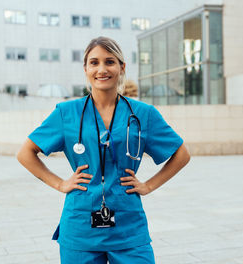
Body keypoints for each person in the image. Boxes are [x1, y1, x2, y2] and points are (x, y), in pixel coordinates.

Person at [17, 36, 190, 264]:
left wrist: (148, 185)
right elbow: (25, 153)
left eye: (110, 61)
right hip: (81, 227)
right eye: (94, 62)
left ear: (121, 67)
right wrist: (60, 184)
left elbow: (181, 154)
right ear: (86, 69)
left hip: (128, 226)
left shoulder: (143, 114)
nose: (102, 69)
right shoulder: (66, 113)